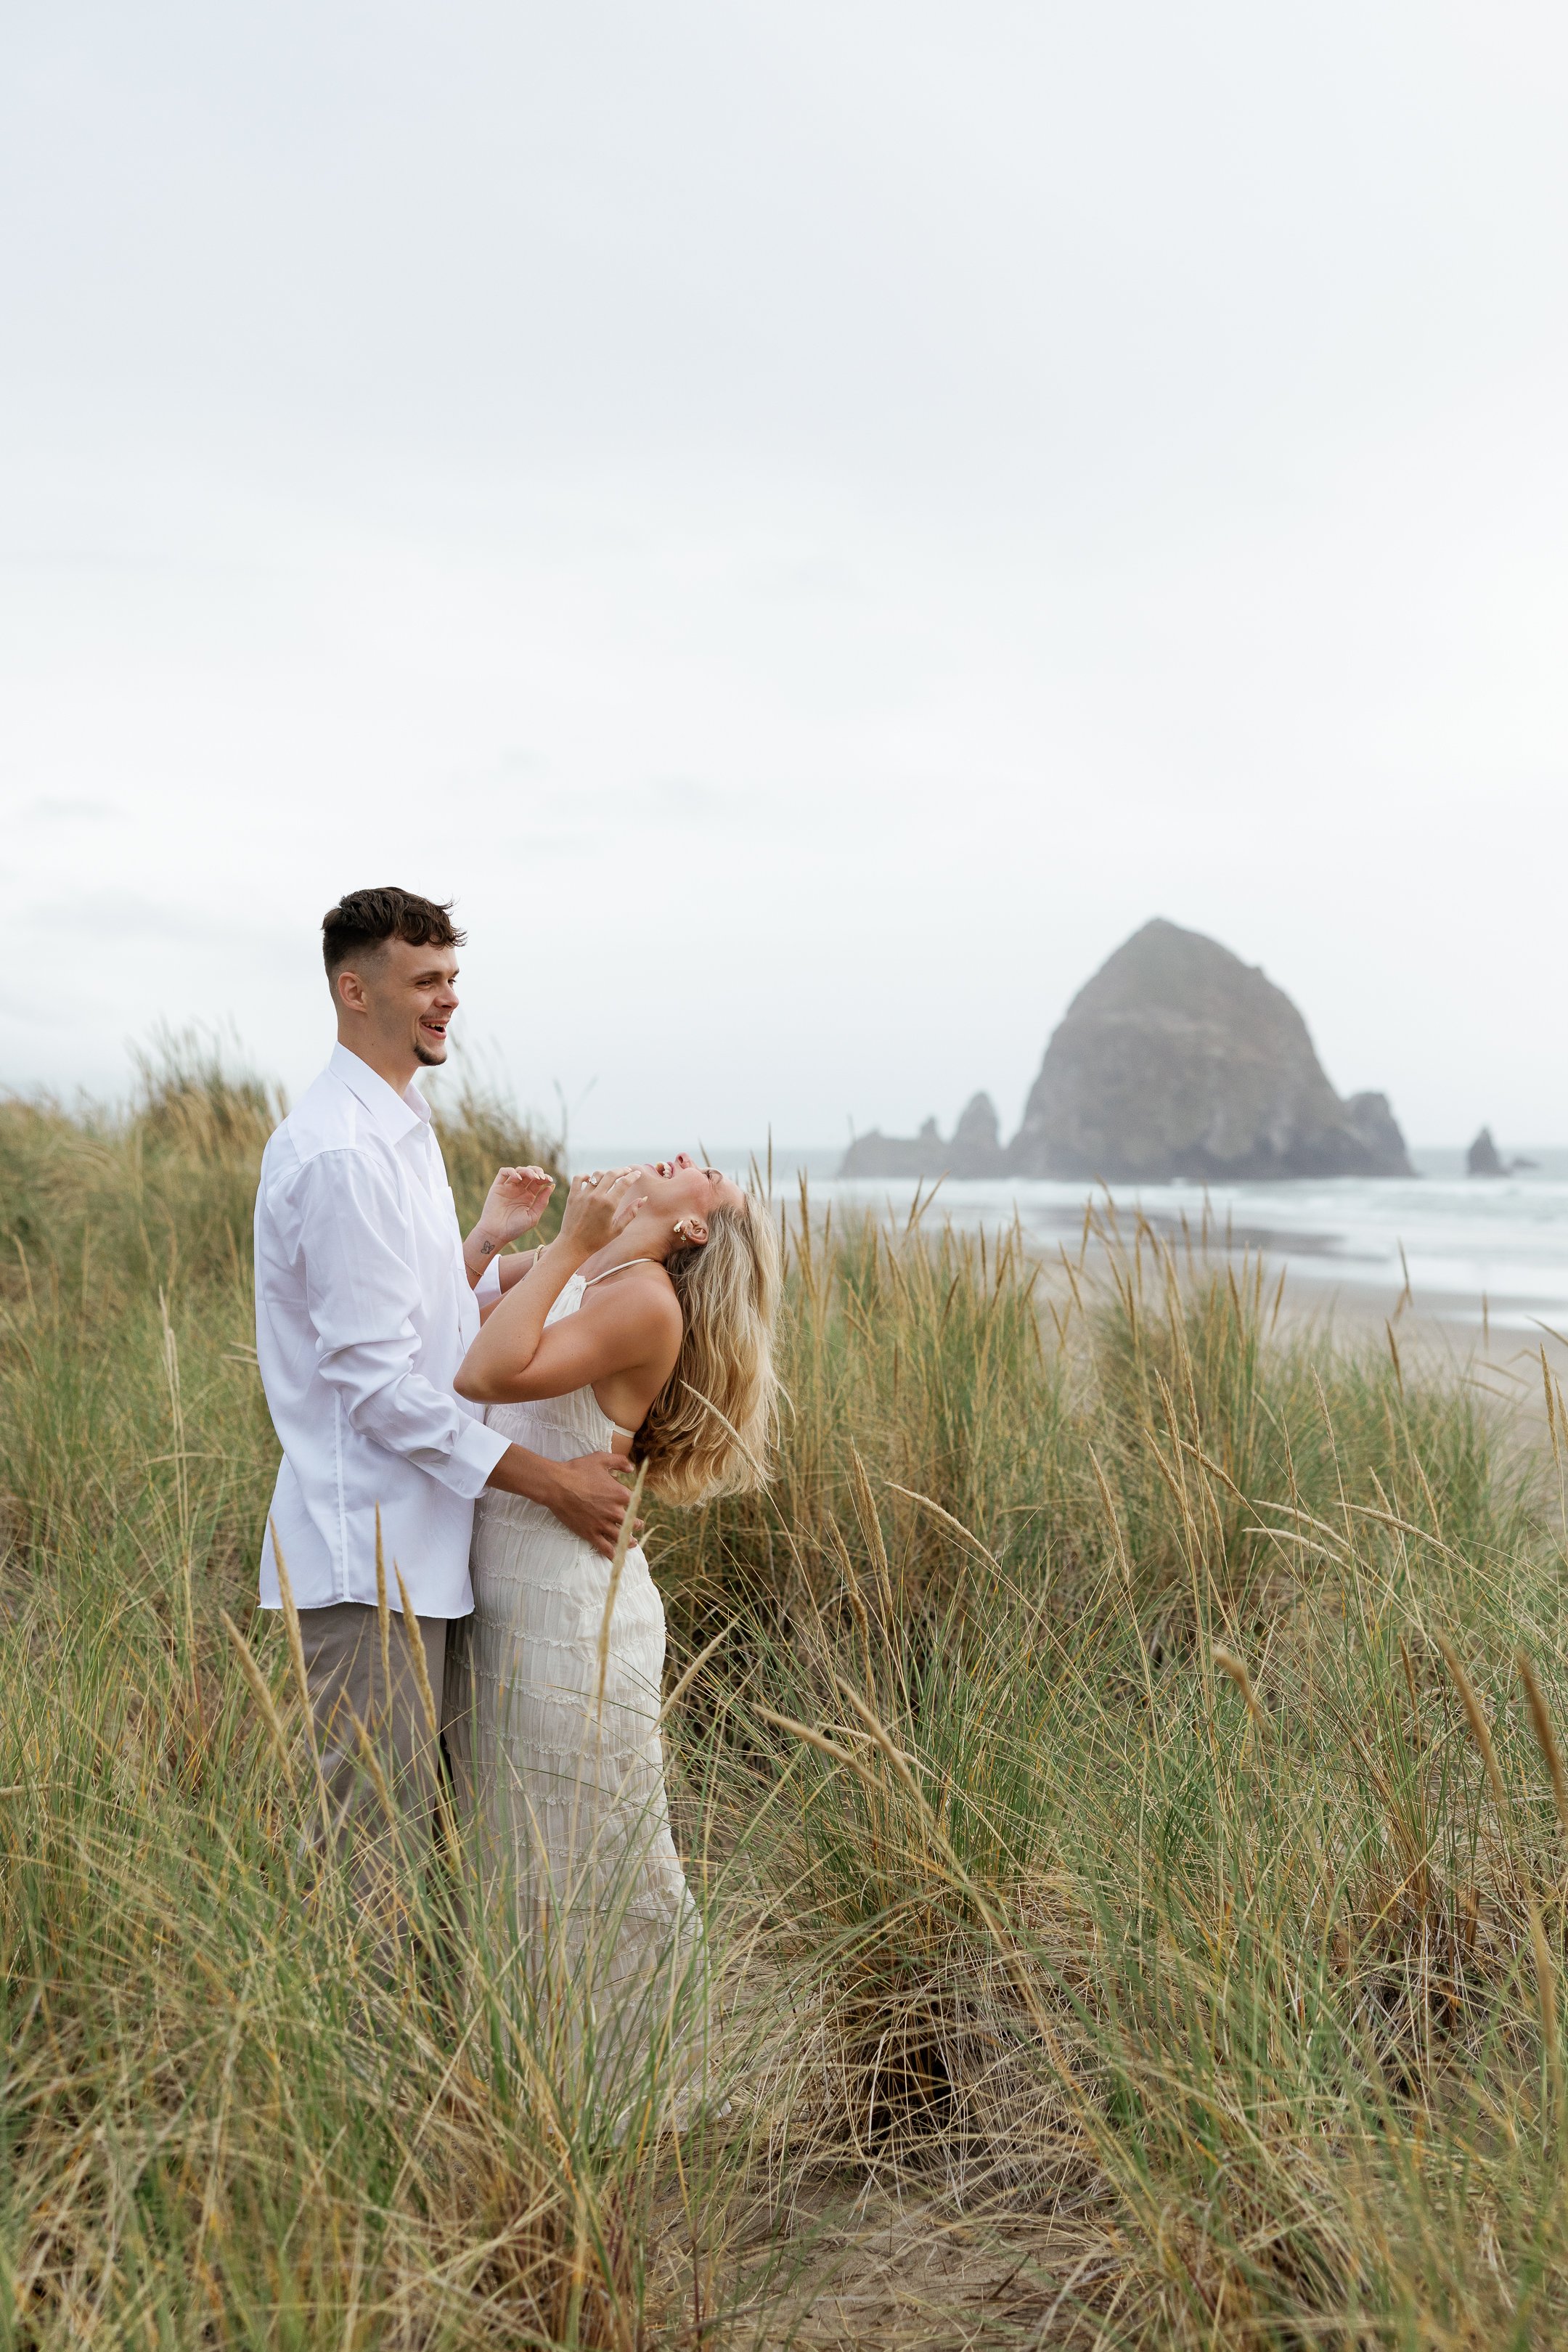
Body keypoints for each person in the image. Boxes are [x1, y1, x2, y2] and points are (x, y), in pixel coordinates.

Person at [252, 884, 634, 1900]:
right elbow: (379, 1388)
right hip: (365, 1558)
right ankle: (343, 2065)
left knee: (418, 1864)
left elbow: (423, 1320)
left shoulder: (400, 1130)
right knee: (367, 1874)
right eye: (425, 981)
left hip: (423, 1552)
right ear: (353, 990)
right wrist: (551, 1482)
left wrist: (528, 1253)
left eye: (453, 980)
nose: (447, 1000)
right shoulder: (340, 1152)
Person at [453, 1153, 780, 2107]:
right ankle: (535, 2088)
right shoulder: (589, 1267)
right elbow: (446, 1318)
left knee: (593, 1855)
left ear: (692, 1232)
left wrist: (567, 1245)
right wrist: (498, 1238)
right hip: (511, 1586)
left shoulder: (644, 1301)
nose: (683, 1159)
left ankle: (643, 2098)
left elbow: (487, 1369)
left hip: (572, 1610)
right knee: (518, 1849)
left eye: (705, 1176)